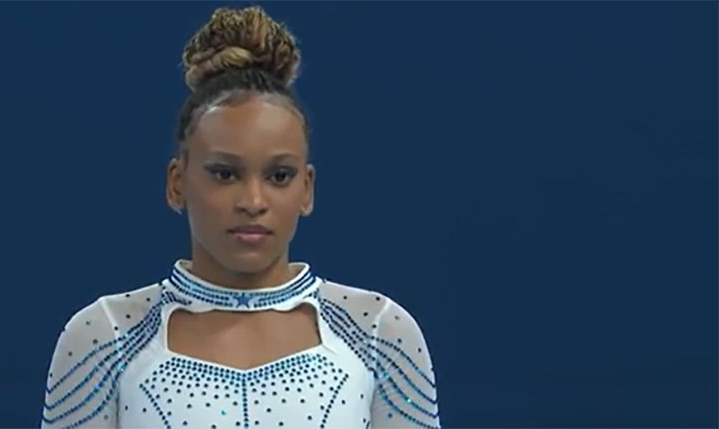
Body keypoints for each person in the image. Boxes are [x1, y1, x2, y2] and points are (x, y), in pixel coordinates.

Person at [41, 6, 440, 429]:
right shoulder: (105, 337)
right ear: (177, 183)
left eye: (278, 176)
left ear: (306, 189)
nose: (253, 200)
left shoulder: (378, 332)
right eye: (225, 174)